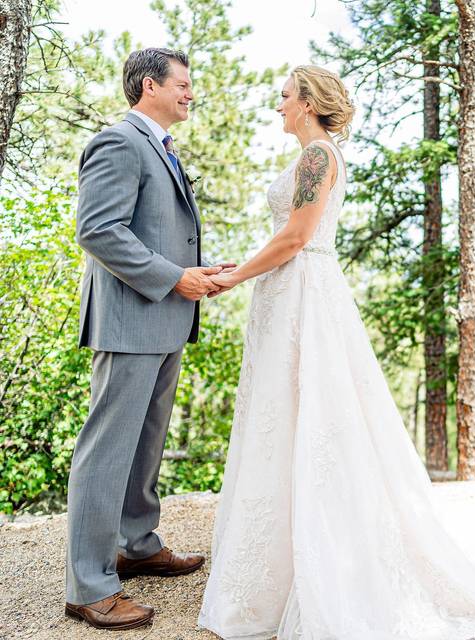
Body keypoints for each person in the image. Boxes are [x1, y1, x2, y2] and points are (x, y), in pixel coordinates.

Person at [197, 65, 475, 640]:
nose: (278, 106)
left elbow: (297, 237)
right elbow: (286, 234)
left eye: (285, 97)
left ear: (309, 102)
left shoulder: (319, 157)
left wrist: (233, 276)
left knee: (312, 414)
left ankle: (324, 563)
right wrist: (240, 268)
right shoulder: (311, 157)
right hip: (285, 294)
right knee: (279, 418)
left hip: (304, 298)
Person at [65, 47, 234, 631]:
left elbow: (158, 232)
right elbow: (98, 230)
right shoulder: (118, 141)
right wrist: (173, 278)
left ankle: (136, 544)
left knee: (146, 446)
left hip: (165, 319)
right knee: (107, 450)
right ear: (147, 85)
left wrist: (199, 272)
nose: (191, 93)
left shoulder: (160, 146)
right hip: (131, 320)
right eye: (182, 84)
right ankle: (88, 586)